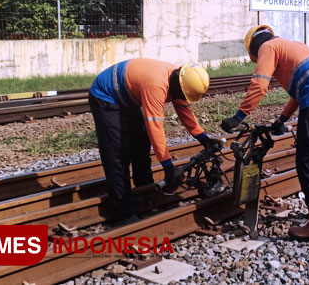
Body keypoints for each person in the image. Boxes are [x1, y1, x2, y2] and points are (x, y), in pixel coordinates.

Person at [220, 25, 309, 240]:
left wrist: (239, 116)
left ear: (253, 47)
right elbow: (301, 90)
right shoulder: (294, 45)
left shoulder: (268, 48)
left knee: (308, 162)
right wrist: (281, 120)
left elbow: (259, 85)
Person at [88, 58, 222, 224]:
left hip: (127, 97)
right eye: (181, 95)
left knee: (140, 144)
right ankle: (123, 211)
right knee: (117, 153)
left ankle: (144, 191)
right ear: (179, 85)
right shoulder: (156, 85)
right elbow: (155, 127)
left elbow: (184, 112)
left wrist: (204, 139)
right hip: (105, 96)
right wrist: (168, 166)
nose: (180, 98)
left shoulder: (180, 78)